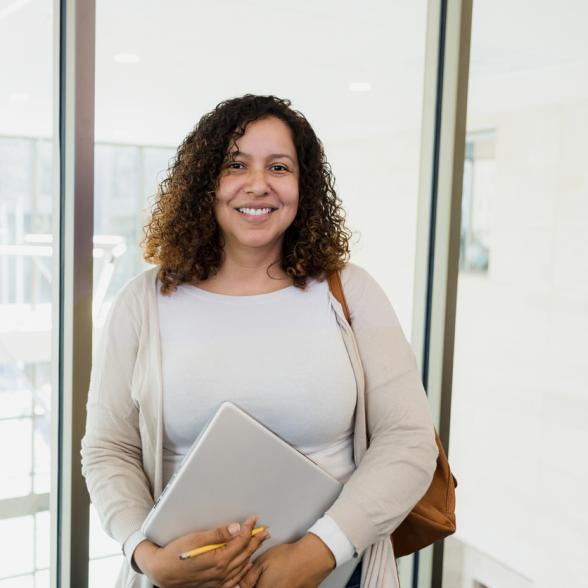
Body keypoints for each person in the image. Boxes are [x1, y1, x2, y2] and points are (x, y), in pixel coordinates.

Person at [81, 94, 438, 588]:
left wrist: (318, 553)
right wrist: (144, 553)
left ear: (302, 185)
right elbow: (107, 449)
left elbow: (409, 440)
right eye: (235, 164)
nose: (258, 184)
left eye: (279, 167)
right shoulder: (143, 302)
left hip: (334, 576)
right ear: (206, 181)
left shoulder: (349, 292)